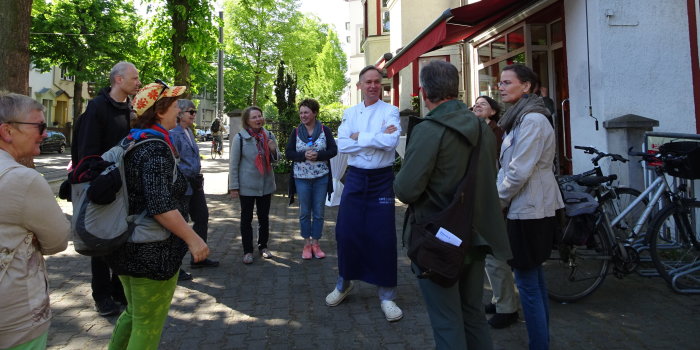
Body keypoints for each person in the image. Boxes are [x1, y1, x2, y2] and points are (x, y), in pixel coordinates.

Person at [394, 61, 511, 349]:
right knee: (472, 314)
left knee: (447, 321)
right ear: (457, 89)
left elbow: (407, 189)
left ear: (424, 92)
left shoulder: (430, 129)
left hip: (439, 240)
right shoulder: (482, 126)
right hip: (475, 234)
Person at [106, 82, 209, 349]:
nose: (180, 109)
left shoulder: (132, 140)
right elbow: (160, 205)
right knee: (147, 324)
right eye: (175, 104)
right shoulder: (155, 148)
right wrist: (194, 239)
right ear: (160, 111)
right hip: (151, 252)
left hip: (125, 245)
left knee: (134, 314)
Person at [325, 65, 403, 322]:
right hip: (356, 179)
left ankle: (387, 296)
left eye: (376, 82)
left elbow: (391, 142)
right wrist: (375, 137)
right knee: (347, 233)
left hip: (381, 180)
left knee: (382, 237)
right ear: (359, 86)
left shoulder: (390, 110)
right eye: (367, 81)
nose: (372, 86)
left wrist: (361, 138)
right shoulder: (350, 113)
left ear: (381, 85)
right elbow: (343, 145)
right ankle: (343, 283)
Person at [497, 64, 564, 350]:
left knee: (527, 281)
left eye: (507, 82)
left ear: (526, 86)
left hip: (530, 207)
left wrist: (495, 202)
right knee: (532, 279)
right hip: (526, 205)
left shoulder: (532, 120)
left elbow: (518, 171)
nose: (500, 86)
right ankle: (541, 341)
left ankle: (539, 344)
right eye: (500, 81)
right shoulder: (519, 118)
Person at [0, 92, 70, 350]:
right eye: (40, 126)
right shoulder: (24, 179)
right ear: (8, 131)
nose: (46, 134)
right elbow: (57, 241)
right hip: (14, 319)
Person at [71, 61, 141, 317]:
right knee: (100, 242)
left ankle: (118, 289)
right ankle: (101, 295)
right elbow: (87, 153)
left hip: (123, 186)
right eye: (134, 78)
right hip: (102, 186)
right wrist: (100, 181)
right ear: (118, 80)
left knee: (120, 238)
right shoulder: (97, 108)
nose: (138, 82)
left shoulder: (129, 108)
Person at [473, 95, 520, 329]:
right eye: (475, 104)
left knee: (494, 254)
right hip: (484, 196)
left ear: (493, 112)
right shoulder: (478, 130)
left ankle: (507, 307)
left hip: (495, 198)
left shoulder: (496, 133)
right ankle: (499, 298)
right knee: (488, 253)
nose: (476, 106)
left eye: (482, 104)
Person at [285, 98, 337, 259]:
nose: (303, 115)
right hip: (301, 178)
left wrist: (319, 155)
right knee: (305, 212)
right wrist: (303, 155)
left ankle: (316, 243)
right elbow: (289, 153)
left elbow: (333, 150)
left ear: (314, 113)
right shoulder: (296, 131)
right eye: (301, 113)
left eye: (306, 112)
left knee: (319, 212)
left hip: (321, 177)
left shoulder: (324, 130)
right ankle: (307, 244)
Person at [170, 99, 220, 272]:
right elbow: (173, 162)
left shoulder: (189, 132)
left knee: (202, 217)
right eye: (191, 112)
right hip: (183, 186)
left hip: (195, 184)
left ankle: (198, 258)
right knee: (181, 224)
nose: (194, 115)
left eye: (194, 112)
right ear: (179, 113)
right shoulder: (173, 134)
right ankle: (175, 266)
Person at [228, 106, 279, 264]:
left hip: (266, 184)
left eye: (260, 116)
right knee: (246, 219)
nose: (258, 119)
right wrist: (234, 187)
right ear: (247, 121)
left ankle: (263, 246)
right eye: (254, 117)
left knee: (264, 218)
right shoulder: (240, 138)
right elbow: (234, 164)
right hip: (247, 187)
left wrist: (273, 150)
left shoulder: (269, 135)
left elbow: (277, 159)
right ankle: (247, 251)